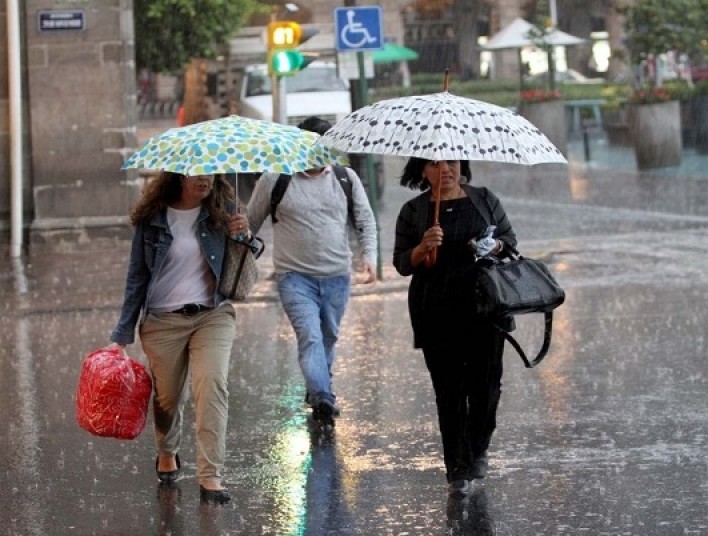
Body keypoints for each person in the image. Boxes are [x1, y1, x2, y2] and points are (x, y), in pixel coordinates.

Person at [109, 172, 254, 505]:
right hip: (163, 321)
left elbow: (242, 265)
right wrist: (122, 333)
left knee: (212, 385)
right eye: (196, 174)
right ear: (178, 176)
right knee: (168, 399)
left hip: (212, 314)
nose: (205, 179)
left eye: (210, 173)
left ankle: (211, 476)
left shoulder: (223, 209)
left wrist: (243, 235)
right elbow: (137, 277)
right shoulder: (154, 218)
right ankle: (167, 450)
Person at [393, 158, 517, 497]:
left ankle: (478, 448)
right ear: (422, 172)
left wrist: (495, 245)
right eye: (435, 164)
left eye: (452, 161)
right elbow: (402, 263)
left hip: (485, 306)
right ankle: (458, 468)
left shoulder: (484, 198)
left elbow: (509, 240)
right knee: (449, 391)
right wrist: (422, 248)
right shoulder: (414, 211)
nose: (445, 168)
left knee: (486, 387)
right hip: (436, 309)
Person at [247, 116, 378, 429]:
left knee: (328, 337)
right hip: (294, 277)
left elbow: (365, 220)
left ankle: (318, 388)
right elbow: (251, 222)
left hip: (337, 275)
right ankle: (322, 395)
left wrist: (370, 257)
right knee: (310, 336)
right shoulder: (276, 179)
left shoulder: (346, 178)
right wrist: (238, 247)